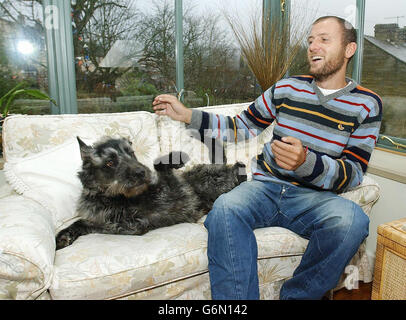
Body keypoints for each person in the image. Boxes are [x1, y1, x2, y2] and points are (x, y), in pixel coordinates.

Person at [152, 16, 382, 300]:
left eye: (324, 39)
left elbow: (353, 171)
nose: (313, 46)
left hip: (314, 198)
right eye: (310, 40)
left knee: (353, 221)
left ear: (349, 49)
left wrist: (306, 163)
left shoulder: (367, 103)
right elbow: (240, 126)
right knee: (224, 209)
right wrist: (187, 115)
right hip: (264, 187)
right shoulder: (286, 87)